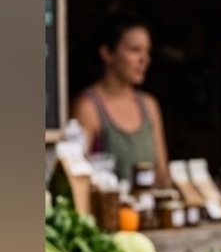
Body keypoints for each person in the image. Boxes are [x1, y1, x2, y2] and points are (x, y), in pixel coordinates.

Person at [72, 10, 170, 188]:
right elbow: (77, 179)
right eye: (135, 50)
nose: (144, 60)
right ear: (107, 53)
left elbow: (162, 175)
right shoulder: (88, 108)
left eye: (147, 52)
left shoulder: (149, 105)